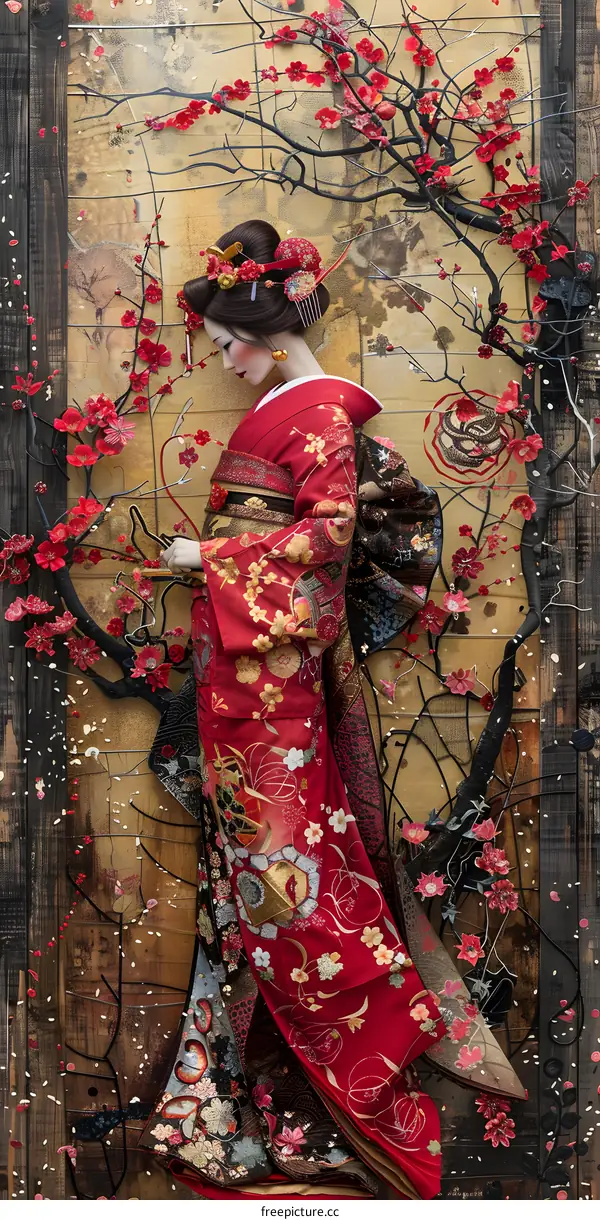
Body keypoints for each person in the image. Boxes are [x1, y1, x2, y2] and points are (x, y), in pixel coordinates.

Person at [140, 221, 524, 1201]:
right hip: (243, 679)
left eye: (229, 339)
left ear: (268, 330)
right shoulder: (291, 408)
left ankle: (363, 1074)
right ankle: (265, 1111)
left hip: (271, 688)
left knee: (291, 888)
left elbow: (323, 544)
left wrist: (209, 557)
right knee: (255, 891)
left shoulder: (316, 416)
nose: (224, 358)